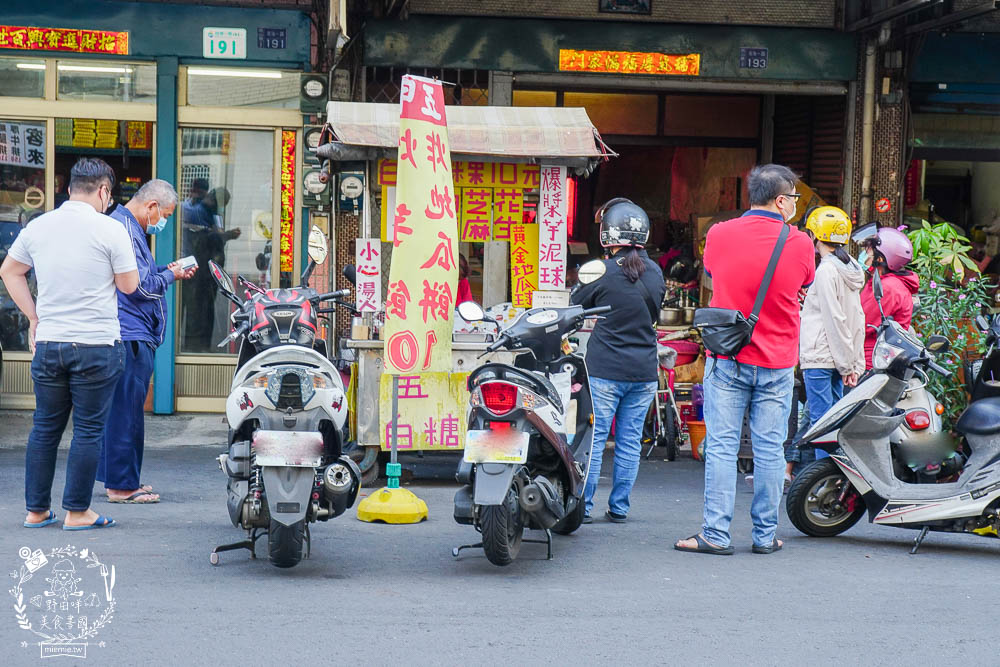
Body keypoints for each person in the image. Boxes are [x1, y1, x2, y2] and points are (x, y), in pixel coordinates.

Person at [675, 164, 815, 556]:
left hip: (728, 355)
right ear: (782, 200)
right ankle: (765, 536)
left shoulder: (719, 233)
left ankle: (716, 535)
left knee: (722, 447)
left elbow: (711, 271)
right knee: (770, 450)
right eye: (794, 198)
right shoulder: (800, 243)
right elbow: (804, 283)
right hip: (777, 361)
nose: (795, 205)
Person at [0, 157, 139, 530]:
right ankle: (77, 512)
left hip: (50, 343)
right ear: (104, 191)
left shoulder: (38, 226)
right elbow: (129, 286)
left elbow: (9, 271)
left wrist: (34, 317)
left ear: (69, 188)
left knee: (45, 427)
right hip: (96, 344)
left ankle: (36, 510)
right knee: (88, 430)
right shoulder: (111, 229)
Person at [99, 179, 196, 504]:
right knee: (126, 413)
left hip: (131, 332)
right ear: (152, 206)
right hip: (130, 333)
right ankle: (122, 486)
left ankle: (121, 479)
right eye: (164, 215)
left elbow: (141, 275)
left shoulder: (128, 227)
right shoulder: (126, 230)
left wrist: (165, 270)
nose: (162, 222)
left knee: (123, 411)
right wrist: (171, 275)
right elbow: (139, 287)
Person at [571, 198, 665, 523]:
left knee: (595, 439)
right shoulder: (657, 273)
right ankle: (620, 507)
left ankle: (584, 506)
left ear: (607, 236)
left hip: (605, 370)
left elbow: (576, 304)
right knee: (629, 441)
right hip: (643, 371)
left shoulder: (602, 271)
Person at [788, 206, 866, 482]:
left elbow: (834, 320)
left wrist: (848, 365)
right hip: (837, 357)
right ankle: (837, 480)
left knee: (822, 426)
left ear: (814, 235)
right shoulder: (850, 268)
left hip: (821, 358)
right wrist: (852, 363)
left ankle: (824, 483)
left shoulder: (826, 271)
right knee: (834, 424)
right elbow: (854, 318)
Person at [859, 226, 918, 369]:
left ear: (880, 258)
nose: (864, 254)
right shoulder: (883, 282)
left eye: (868, 250)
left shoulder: (888, 287)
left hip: (870, 362)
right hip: (869, 357)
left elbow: (861, 323)